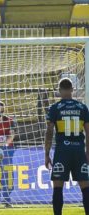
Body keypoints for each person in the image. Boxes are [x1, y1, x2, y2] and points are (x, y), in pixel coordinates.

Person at [44, 78, 89, 215]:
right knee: (85, 187)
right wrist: (87, 152)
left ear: (59, 91)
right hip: (79, 151)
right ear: (72, 89)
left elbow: (49, 132)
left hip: (62, 151)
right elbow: (88, 132)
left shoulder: (55, 108)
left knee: (58, 186)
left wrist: (46, 154)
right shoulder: (82, 108)